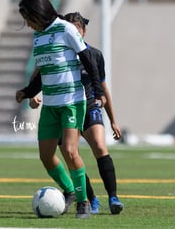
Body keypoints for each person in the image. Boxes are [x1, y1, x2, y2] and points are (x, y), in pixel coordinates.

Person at [21, 12, 124, 215]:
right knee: (70, 153)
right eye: (71, 30)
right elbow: (40, 73)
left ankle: (113, 197)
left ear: (83, 31)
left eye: (78, 30)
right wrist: (31, 94)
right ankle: (90, 199)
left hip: (87, 106)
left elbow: (102, 86)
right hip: (62, 106)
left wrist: (113, 120)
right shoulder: (57, 48)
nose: (74, 34)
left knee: (99, 146)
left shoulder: (93, 54)